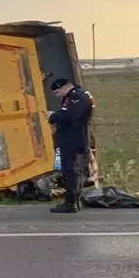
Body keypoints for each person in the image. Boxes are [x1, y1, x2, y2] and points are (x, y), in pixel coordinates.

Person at [47, 74, 94, 214]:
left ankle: (70, 203)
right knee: (74, 170)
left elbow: (70, 116)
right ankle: (74, 201)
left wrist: (53, 116)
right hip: (75, 137)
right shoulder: (79, 95)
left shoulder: (76, 97)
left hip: (73, 139)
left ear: (63, 88)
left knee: (70, 170)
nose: (57, 95)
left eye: (57, 92)